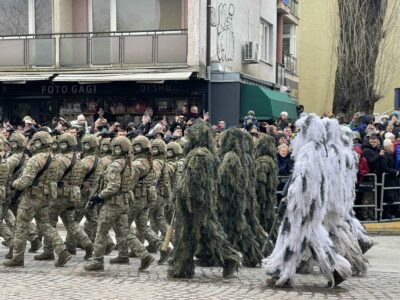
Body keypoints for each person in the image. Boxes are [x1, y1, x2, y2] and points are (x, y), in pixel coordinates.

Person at [263, 114, 352, 287]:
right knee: (313, 237)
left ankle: (281, 273)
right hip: (312, 203)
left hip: (303, 204)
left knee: (292, 236)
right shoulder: (320, 149)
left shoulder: (309, 150)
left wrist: (291, 198)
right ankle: (336, 268)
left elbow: (303, 179)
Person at [168, 121, 242, 278]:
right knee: (193, 233)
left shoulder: (200, 155)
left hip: (195, 204)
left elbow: (193, 182)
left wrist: (182, 195)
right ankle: (182, 267)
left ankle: (229, 258)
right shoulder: (201, 153)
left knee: (201, 233)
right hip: (195, 203)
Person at [84, 136, 153, 272]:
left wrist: (99, 196)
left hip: (111, 204)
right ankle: (144, 255)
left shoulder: (116, 165)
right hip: (123, 203)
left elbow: (114, 186)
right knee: (125, 233)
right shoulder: (128, 164)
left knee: (101, 232)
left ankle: (97, 261)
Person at [3, 131, 71, 267]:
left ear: (39, 143)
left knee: (21, 226)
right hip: (45, 197)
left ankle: (17, 258)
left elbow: (26, 181)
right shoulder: (57, 159)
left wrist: (13, 184)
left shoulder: (35, 159)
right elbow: (58, 177)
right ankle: (62, 251)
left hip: (31, 197)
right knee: (45, 225)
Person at [34, 133, 93, 261]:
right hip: (72, 196)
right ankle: (88, 244)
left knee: (49, 223)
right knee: (71, 223)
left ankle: (48, 251)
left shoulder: (60, 160)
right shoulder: (79, 161)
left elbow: (54, 177)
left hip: (59, 195)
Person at [216, 127, 263, 267]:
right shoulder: (246, 156)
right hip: (245, 197)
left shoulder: (230, 156)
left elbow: (224, 178)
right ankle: (253, 255)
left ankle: (247, 256)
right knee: (243, 226)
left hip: (231, 200)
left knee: (237, 228)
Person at [254, 135, 279, 241]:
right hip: (269, 198)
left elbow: (260, 183)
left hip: (263, 200)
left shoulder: (262, 162)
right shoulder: (270, 161)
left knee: (263, 221)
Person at [380, 139, 400, 219]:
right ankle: (387, 214)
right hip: (388, 180)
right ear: (387, 147)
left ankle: (396, 212)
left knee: (395, 196)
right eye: (391, 146)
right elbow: (384, 168)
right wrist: (395, 172)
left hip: (392, 179)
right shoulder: (384, 156)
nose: (393, 148)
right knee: (389, 197)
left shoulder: (390, 155)